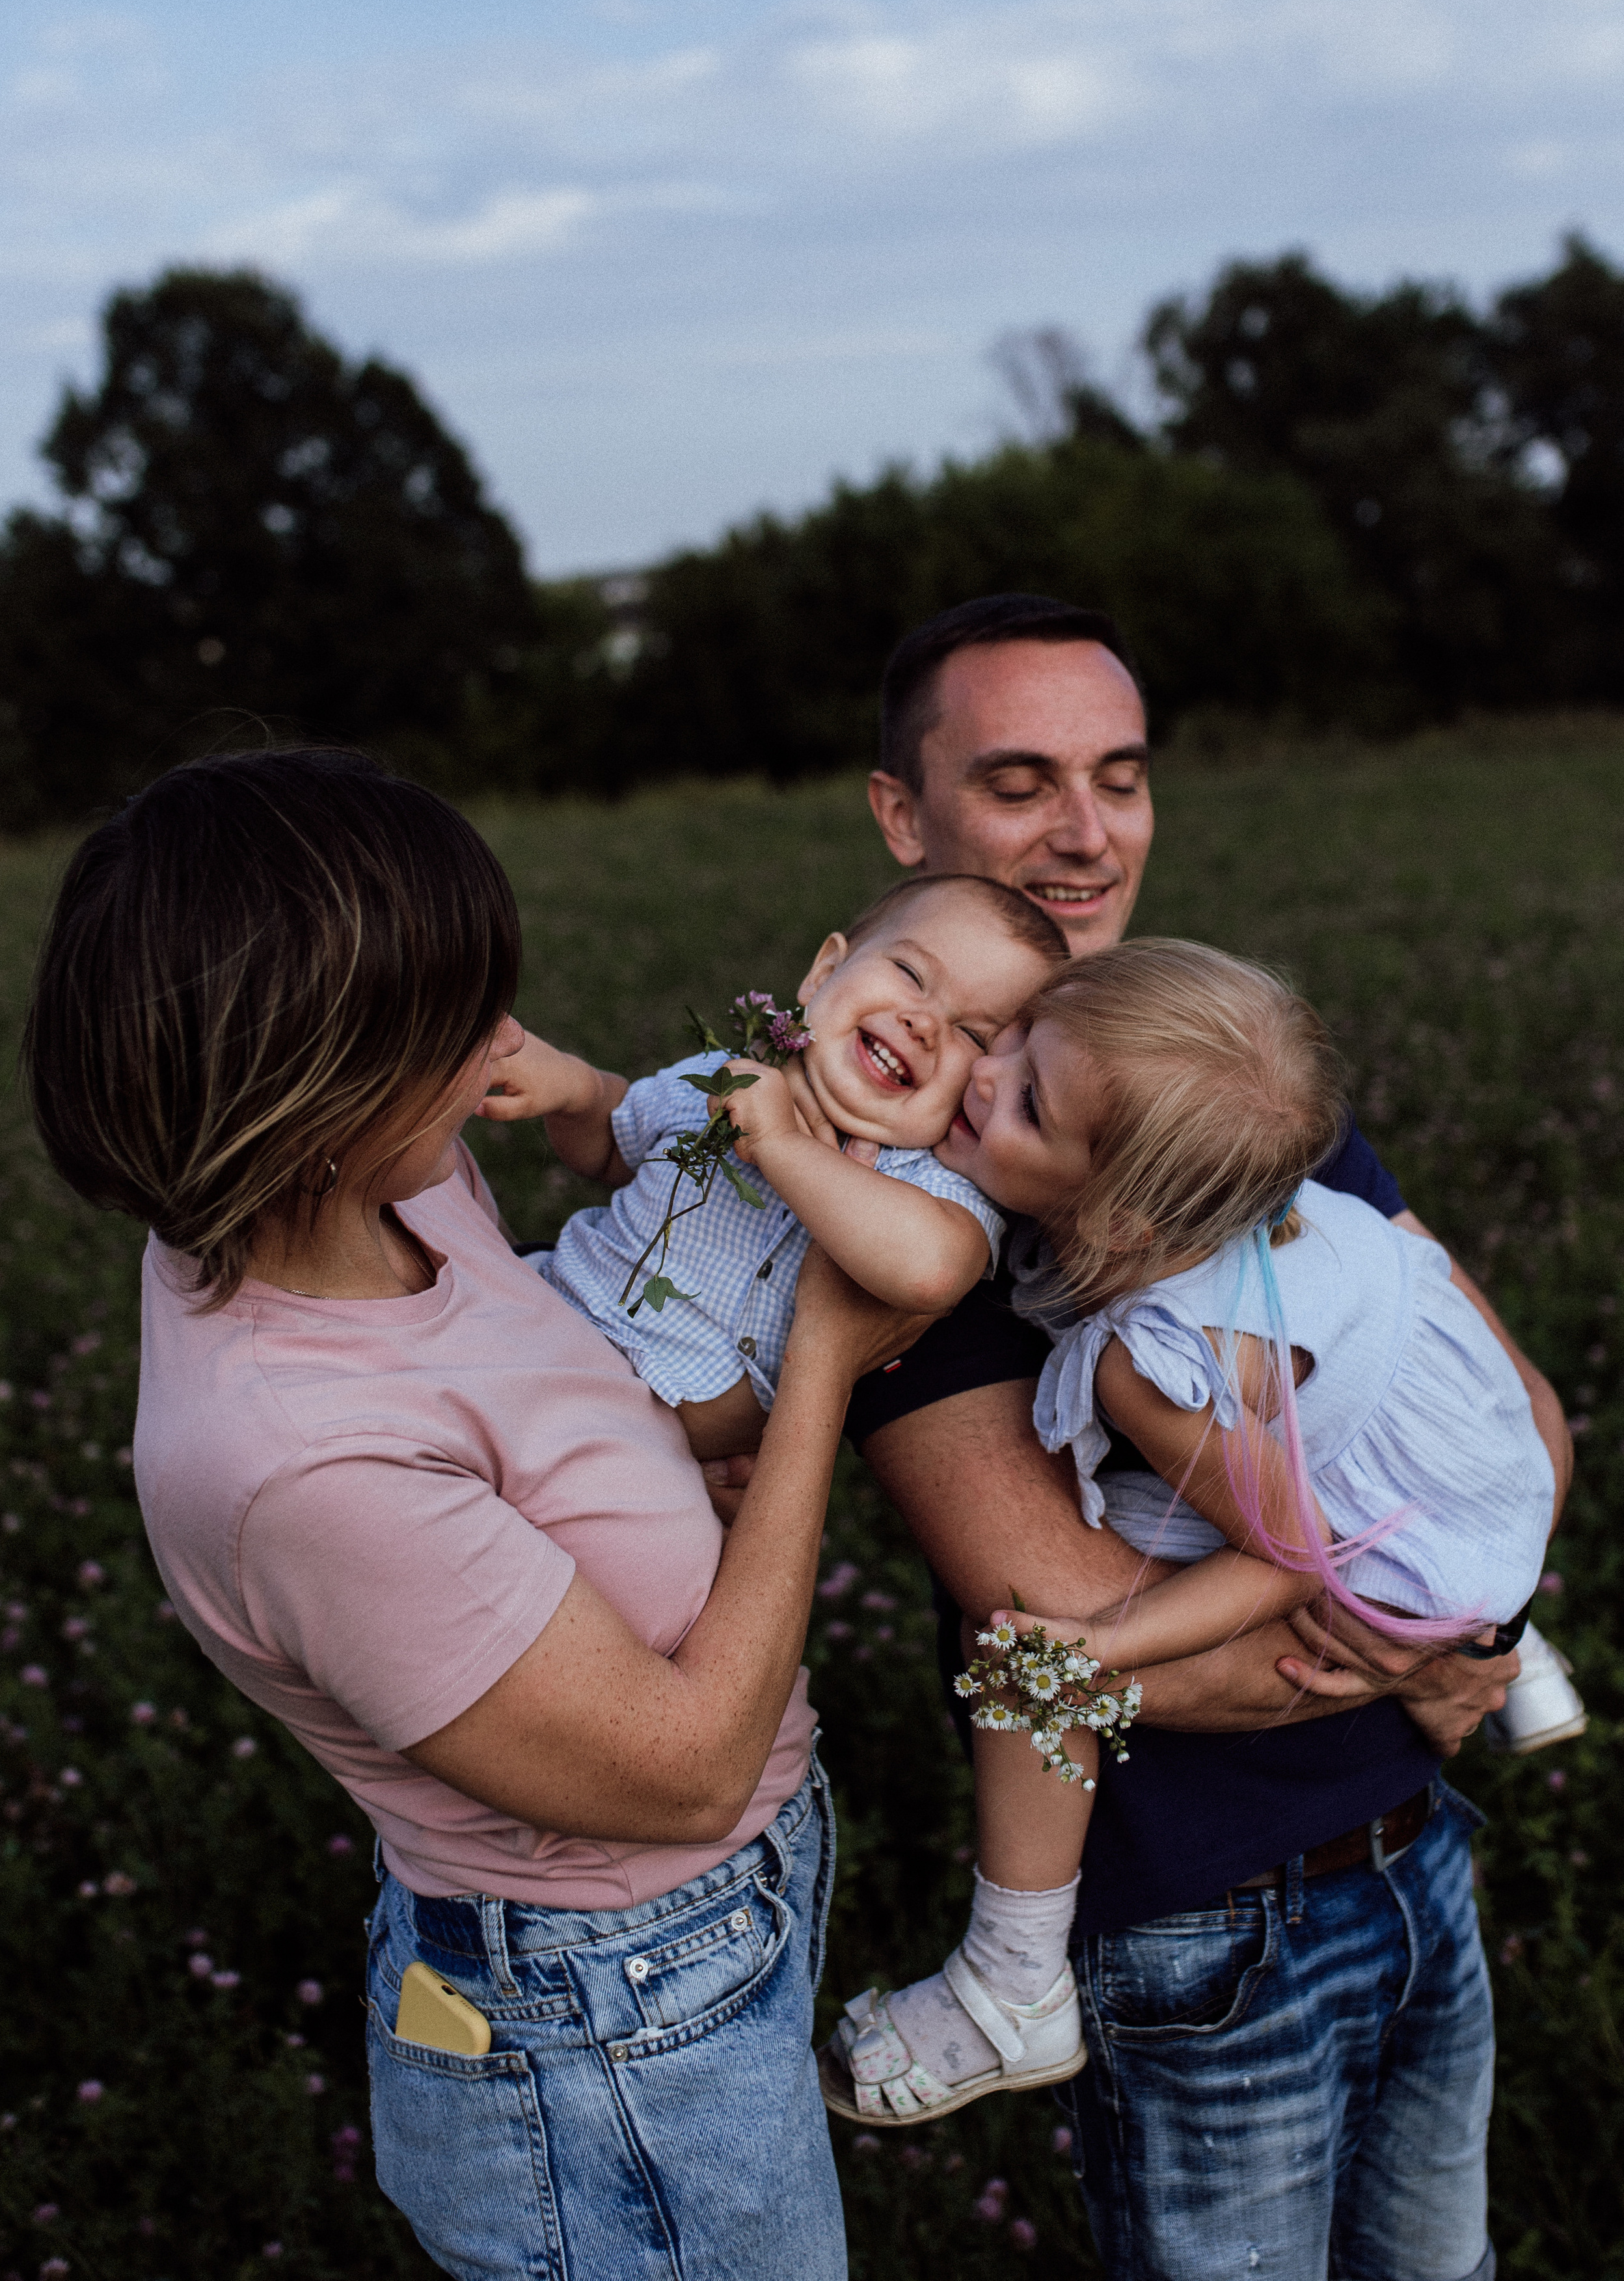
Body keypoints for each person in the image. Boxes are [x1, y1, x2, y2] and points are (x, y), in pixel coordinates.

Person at [702, 595, 1572, 2281]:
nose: (1087, 833)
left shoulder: (1194, 1075)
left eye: (1121, 776)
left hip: (1415, 1861)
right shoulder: (909, 1193)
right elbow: (1078, 1633)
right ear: (904, 813)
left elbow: (1509, 1410)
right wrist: (1444, 1649)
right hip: (1201, 1916)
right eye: (1021, 780)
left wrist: (1482, 1619)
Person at [20, 748, 930, 2281]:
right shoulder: (295, 1464)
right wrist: (821, 1367)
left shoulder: (381, 1187)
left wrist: (656, 1463)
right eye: (460, 1022)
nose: (508, 1040)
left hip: (682, 1949)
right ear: (315, 1095)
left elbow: (536, 1385)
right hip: (608, 2010)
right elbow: (691, 1769)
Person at [821, 941, 1558, 2129]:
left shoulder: (1149, 1371)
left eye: (1027, 1098)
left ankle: (1015, 1976)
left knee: (1030, 1645)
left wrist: (1103, 1650)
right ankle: (1496, 1610)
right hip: (1448, 1436)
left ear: (1114, 1216)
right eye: (1011, 1037)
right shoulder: (1218, 1151)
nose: (981, 1071)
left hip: (1398, 1513)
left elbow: (1288, 1551)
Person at [498, 876, 1063, 1467]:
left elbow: (932, 1270)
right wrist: (577, 1091)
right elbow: (612, 1149)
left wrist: (780, 1144)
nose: (924, 1022)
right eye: (912, 974)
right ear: (824, 973)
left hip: (642, 1452)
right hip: (540, 1318)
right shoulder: (731, 1071)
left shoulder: (930, 1183)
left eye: (973, 1034)